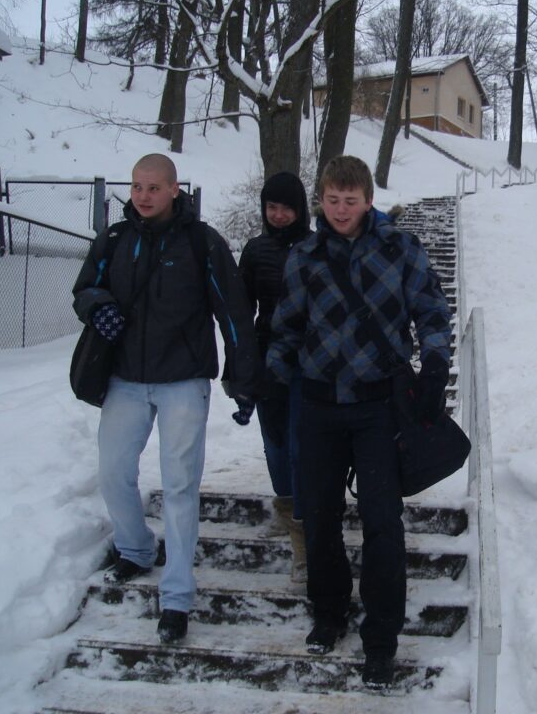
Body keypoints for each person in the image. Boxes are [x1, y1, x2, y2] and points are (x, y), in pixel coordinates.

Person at [266, 155, 452, 690]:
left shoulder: (401, 249)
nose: (341, 209)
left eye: (351, 200)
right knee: (319, 516)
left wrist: (435, 363)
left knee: (382, 522)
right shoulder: (305, 256)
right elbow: (286, 328)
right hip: (320, 406)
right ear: (320, 200)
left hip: (377, 409)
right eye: (332, 199)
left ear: (368, 200)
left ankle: (382, 636)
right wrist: (276, 388)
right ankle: (329, 611)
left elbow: (432, 310)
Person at [72, 153, 255, 643]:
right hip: (126, 379)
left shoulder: (201, 242)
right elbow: (84, 287)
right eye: (136, 187)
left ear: (175, 189)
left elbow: (233, 313)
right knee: (113, 473)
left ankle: (176, 597)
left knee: (178, 487)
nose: (143, 196)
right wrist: (98, 306)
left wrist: (242, 380)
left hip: (183, 381)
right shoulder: (114, 238)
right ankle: (134, 549)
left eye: (154, 187)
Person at [235, 172, 311, 582]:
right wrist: (241, 364)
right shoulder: (255, 250)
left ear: (300, 209)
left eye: (286, 207)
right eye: (271, 207)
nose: (279, 215)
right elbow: (241, 313)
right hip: (268, 362)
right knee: (276, 445)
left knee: (302, 446)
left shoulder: (318, 247)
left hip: (311, 362)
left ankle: (304, 536)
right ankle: (289, 511)